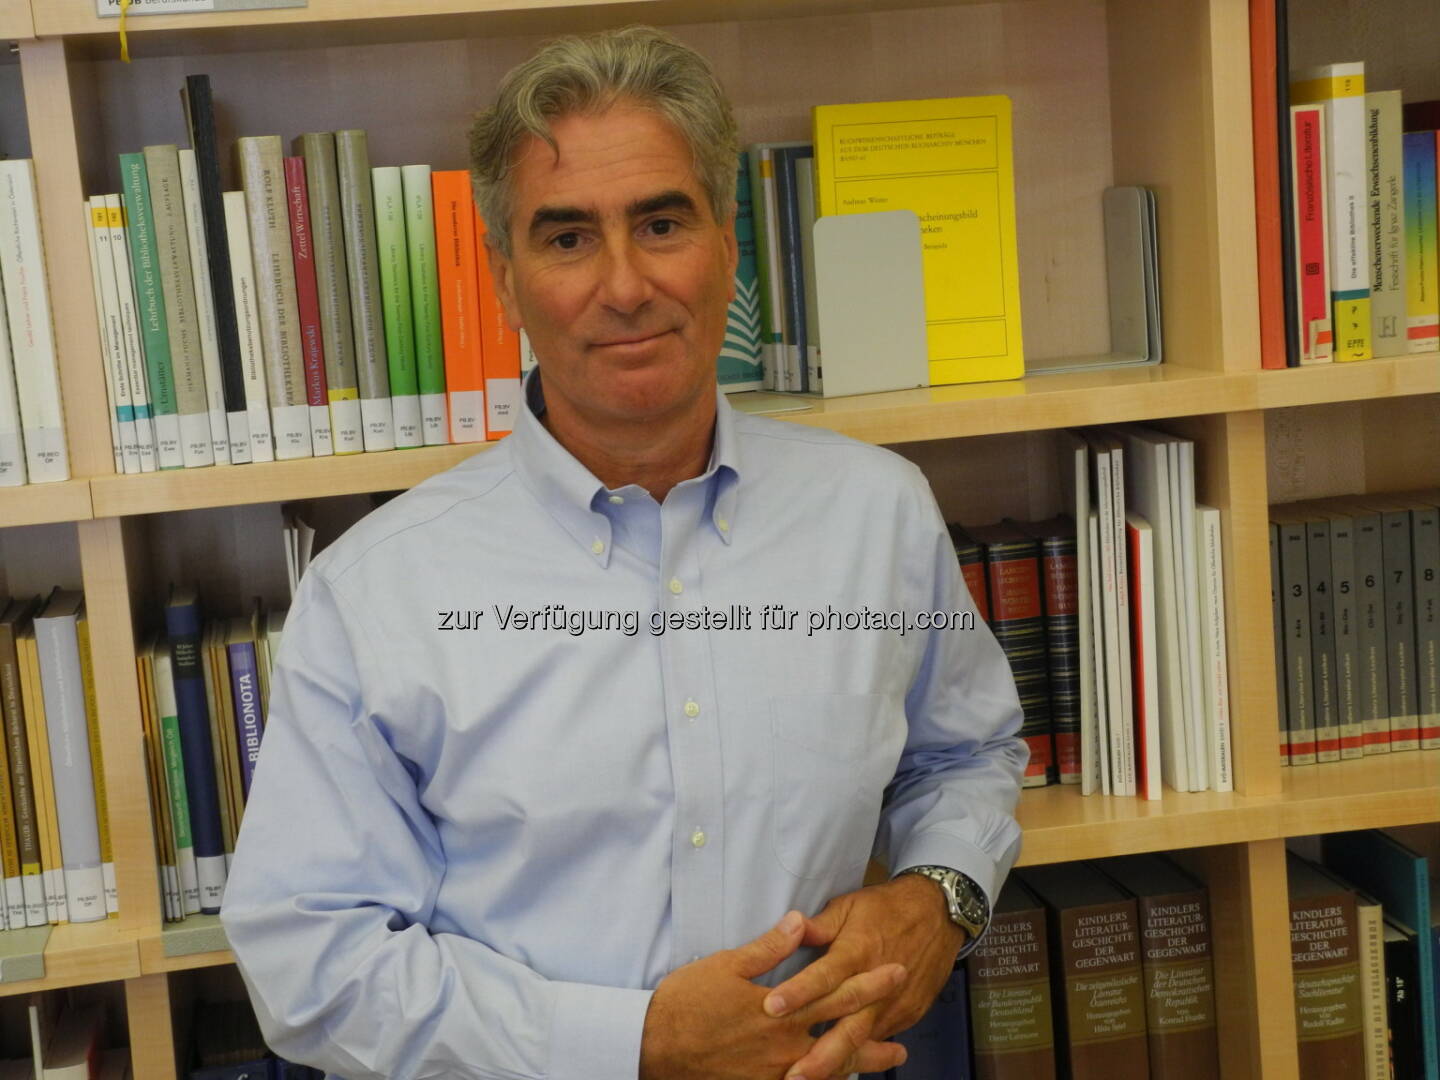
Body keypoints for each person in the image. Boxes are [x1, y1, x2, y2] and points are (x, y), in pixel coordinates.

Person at [221, 25, 1027, 1080]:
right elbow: (310, 965)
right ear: (504, 281)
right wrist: (637, 1044)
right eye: (566, 238)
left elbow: (965, 754)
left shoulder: (877, 516)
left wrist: (941, 898)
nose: (626, 284)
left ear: (729, 246)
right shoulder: (374, 595)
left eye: (661, 222)